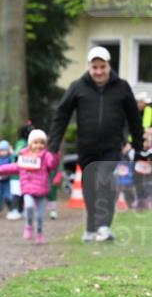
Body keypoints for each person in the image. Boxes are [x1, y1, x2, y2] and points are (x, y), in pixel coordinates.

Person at [48, 46, 144, 242]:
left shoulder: (122, 87)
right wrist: (53, 145)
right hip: (86, 147)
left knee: (104, 182)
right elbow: (62, 115)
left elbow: (134, 118)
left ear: (109, 66)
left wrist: (138, 145)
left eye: (103, 67)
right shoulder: (78, 87)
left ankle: (104, 227)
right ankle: (91, 227)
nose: (99, 71)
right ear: (89, 67)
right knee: (90, 187)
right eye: (95, 67)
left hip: (111, 146)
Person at [0, 129, 61, 244]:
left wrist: (55, 154)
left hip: (42, 190)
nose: (38, 145)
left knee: (40, 216)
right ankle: (29, 226)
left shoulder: (47, 157)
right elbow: (16, 167)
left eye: (41, 143)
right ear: (30, 144)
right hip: (28, 190)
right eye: (36, 142)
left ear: (45, 145)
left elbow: (53, 164)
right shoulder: (24, 156)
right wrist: (1, 170)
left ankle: (39, 233)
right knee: (29, 207)